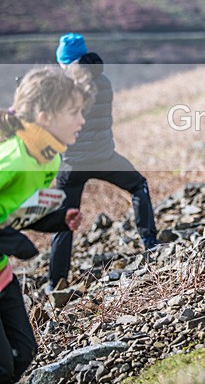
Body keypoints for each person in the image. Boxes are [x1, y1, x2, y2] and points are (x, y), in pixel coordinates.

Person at [47, 33, 160, 292]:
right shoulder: (104, 81)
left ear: (65, 61)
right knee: (138, 185)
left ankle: (55, 283)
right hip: (105, 157)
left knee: (64, 219)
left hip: (72, 165)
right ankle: (150, 243)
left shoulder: (60, 87)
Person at [0, 67, 88, 382]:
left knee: (22, 353)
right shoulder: (11, 160)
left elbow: (19, 210)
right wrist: (13, 243)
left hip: (2, 276)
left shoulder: (48, 159)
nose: (81, 120)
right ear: (45, 116)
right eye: (73, 112)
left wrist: (56, 219)